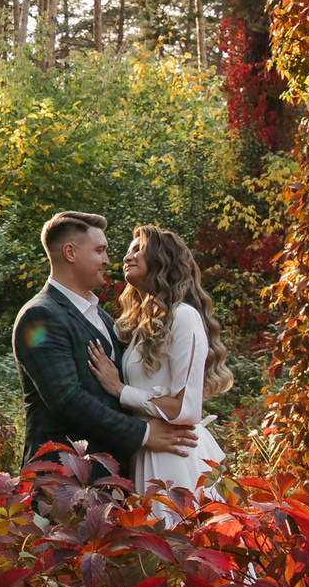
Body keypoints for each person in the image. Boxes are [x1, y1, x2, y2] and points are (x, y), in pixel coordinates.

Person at [12, 211, 199, 483]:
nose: (107, 260)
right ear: (70, 253)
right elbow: (67, 400)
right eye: (100, 250)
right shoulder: (38, 317)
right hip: (62, 480)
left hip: (113, 478)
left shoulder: (103, 318)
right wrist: (144, 434)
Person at [104, 223, 231, 515]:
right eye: (127, 251)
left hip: (175, 458)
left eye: (138, 250)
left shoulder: (183, 317)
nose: (127, 257)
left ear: (162, 260)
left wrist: (120, 390)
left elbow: (185, 409)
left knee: (180, 548)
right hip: (145, 450)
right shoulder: (137, 326)